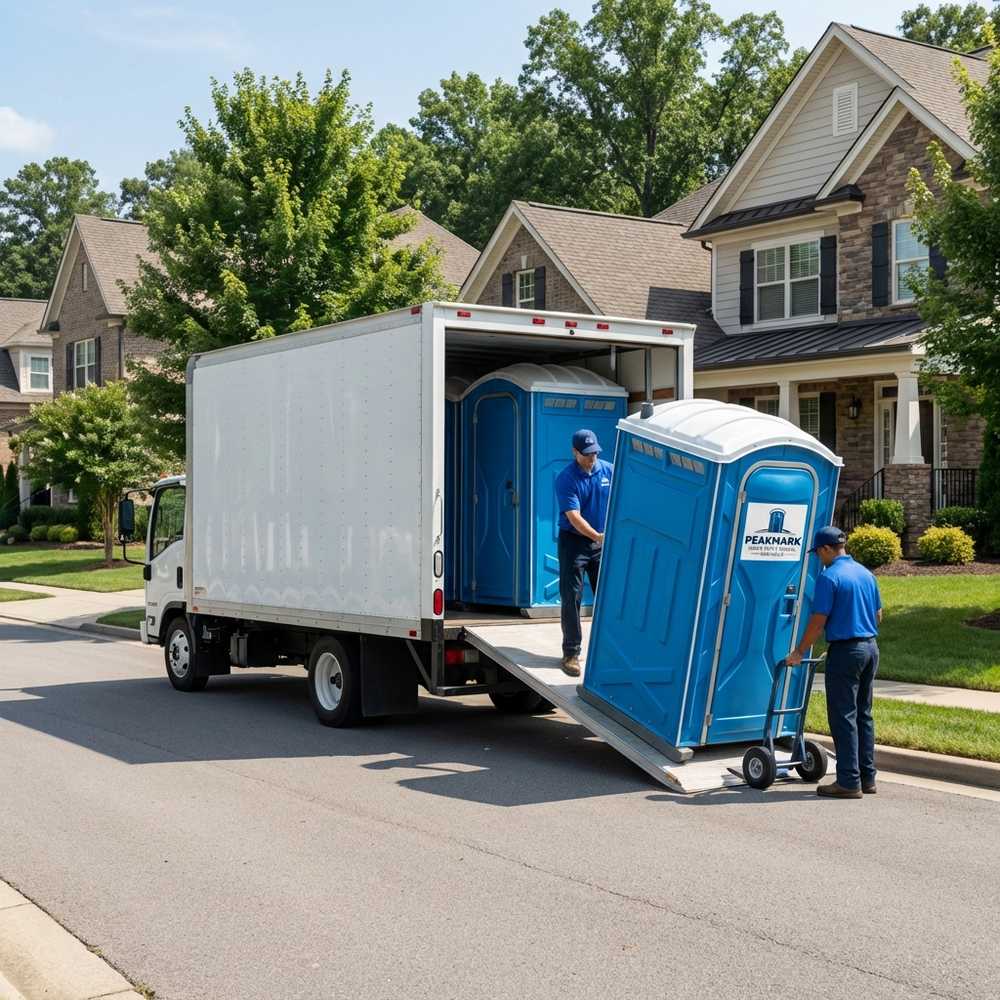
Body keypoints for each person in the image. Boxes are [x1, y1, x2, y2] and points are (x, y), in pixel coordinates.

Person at [788, 526, 883, 799]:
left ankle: (848, 782)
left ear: (827, 549)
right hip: (870, 648)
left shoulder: (829, 578)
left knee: (843, 717)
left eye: (819, 552)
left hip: (846, 651)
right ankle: (867, 778)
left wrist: (799, 652)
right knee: (864, 714)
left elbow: (818, 622)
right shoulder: (866, 574)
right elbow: (879, 616)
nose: (819, 558)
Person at [554, 429, 613, 677]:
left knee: (609, 596)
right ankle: (571, 653)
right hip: (574, 543)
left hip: (602, 542)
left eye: (595, 453)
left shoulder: (609, 470)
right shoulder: (566, 478)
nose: (592, 458)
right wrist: (598, 536)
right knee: (572, 597)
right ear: (575, 453)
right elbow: (574, 518)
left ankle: (610, 651)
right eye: (587, 454)